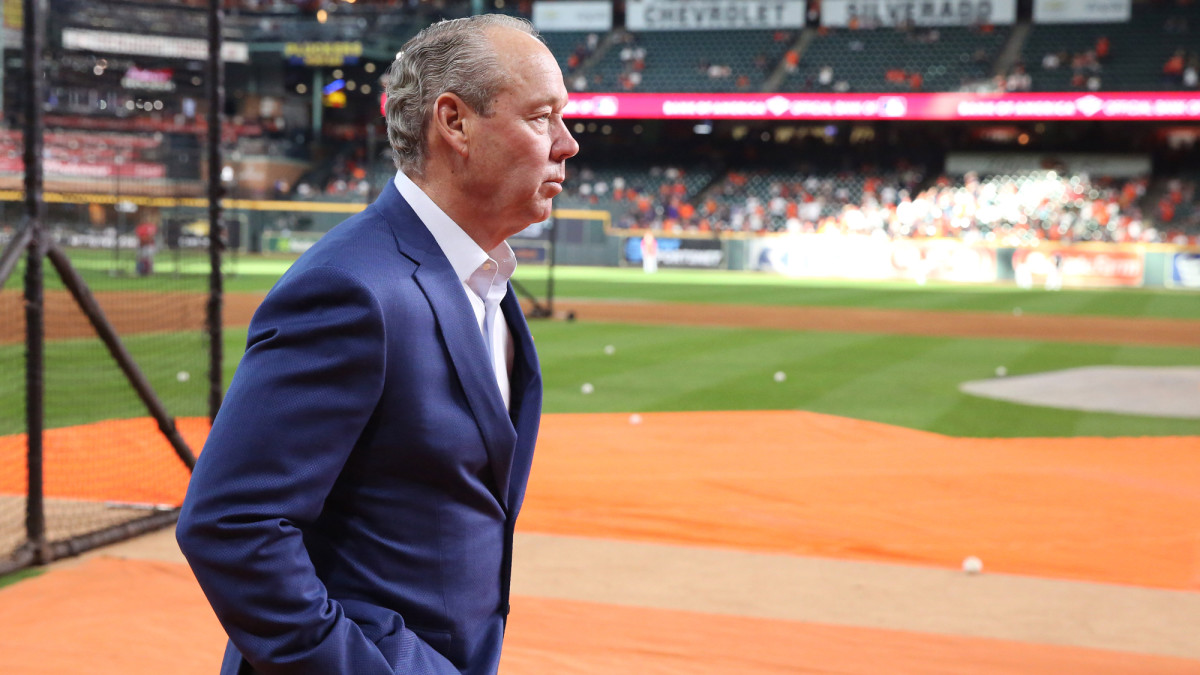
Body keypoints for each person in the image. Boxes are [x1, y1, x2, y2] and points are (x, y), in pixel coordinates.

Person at [176, 15, 578, 675]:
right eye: (542, 117)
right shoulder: (351, 286)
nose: (567, 144)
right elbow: (232, 524)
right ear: (454, 123)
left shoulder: (487, 284)